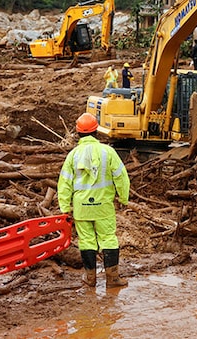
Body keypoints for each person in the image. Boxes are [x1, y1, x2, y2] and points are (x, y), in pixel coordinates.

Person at [58, 113, 130, 288]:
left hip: (82, 207)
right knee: (108, 239)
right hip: (103, 207)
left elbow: (64, 183)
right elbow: (122, 177)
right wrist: (124, 198)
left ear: (78, 133)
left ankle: (90, 278)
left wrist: (64, 207)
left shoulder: (73, 155)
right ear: (96, 131)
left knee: (86, 240)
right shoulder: (108, 152)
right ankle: (112, 279)